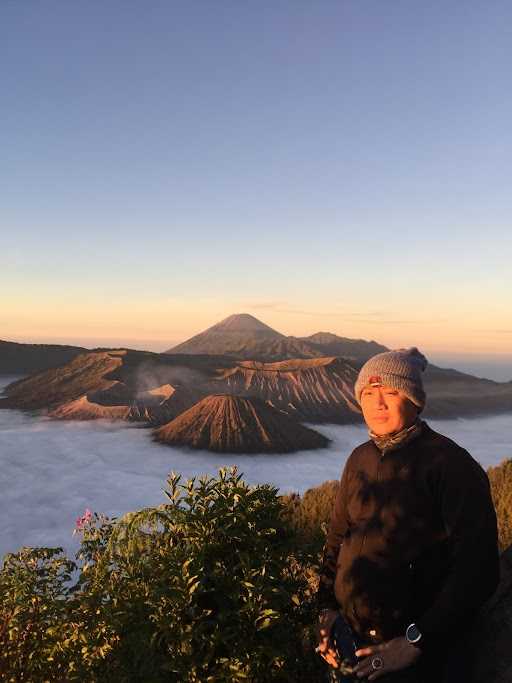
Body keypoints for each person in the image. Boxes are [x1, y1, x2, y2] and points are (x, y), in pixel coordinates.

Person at [316, 348, 500, 682]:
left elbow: (479, 570)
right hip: (349, 641)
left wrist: (417, 640)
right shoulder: (359, 459)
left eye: (390, 392)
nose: (378, 403)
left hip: (416, 658)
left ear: (414, 400)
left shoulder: (451, 466)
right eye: (369, 393)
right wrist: (326, 609)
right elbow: (338, 538)